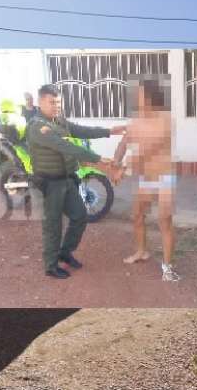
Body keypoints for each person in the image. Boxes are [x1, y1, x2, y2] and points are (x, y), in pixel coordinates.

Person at [28, 84, 125, 279]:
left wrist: (109, 131)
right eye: (51, 102)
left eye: (58, 102)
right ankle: (51, 265)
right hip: (50, 183)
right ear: (40, 102)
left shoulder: (59, 120)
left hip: (67, 179)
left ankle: (65, 252)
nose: (56, 106)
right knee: (53, 224)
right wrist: (98, 158)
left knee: (80, 215)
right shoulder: (38, 126)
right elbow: (64, 146)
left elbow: (80, 130)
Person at [113, 77, 178, 281]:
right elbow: (124, 143)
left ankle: (167, 267)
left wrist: (124, 168)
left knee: (164, 221)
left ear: (151, 97)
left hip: (165, 177)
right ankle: (142, 251)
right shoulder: (136, 121)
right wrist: (115, 162)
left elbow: (148, 151)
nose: (137, 98)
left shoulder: (166, 120)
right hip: (146, 178)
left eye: (140, 95)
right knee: (138, 215)